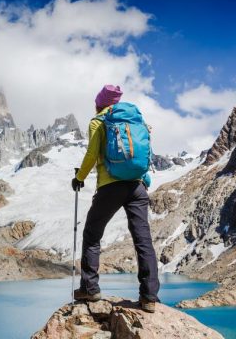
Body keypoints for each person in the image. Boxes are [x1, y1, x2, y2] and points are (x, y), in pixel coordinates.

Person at [71, 85, 160, 313]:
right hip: (137, 186)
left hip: (110, 187)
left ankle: (90, 289)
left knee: (92, 234)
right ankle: (149, 297)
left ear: (99, 103)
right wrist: (143, 179)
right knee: (143, 240)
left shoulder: (98, 122)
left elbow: (92, 154)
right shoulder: (133, 122)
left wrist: (79, 178)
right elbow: (141, 155)